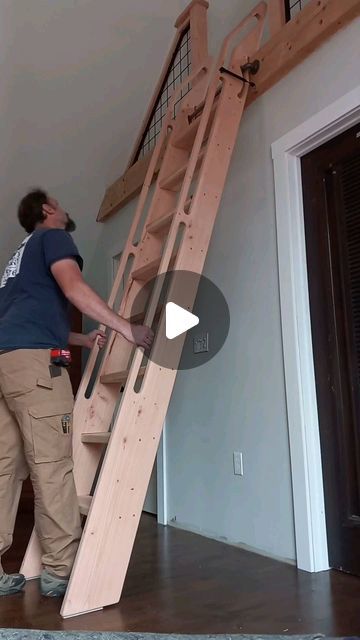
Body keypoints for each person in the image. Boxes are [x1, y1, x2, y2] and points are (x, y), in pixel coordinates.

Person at [0, 189, 154, 597]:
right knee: (51, 463)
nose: (65, 207)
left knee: (4, 468)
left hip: (6, 363)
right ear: (48, 211)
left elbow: (25, 321)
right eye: (60, 202)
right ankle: (59, 570)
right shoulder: (54, 237)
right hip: (34, 366)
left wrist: (82, 342)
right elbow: (73, 288)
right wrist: (126, 327)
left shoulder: (16, 260)